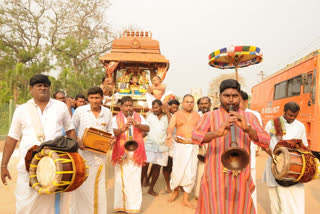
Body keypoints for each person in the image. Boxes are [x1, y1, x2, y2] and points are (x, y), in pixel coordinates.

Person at [192, 79, 270, 214]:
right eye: (226, 96)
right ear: (220, 95)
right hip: (215, 175)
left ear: (240, 97)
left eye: (235, 96)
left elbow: (266, 140)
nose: (231, 100)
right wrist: (216, 133)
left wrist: (248, 129)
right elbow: (195, 137)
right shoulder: (209, 116)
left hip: (241, 174)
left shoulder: (249, 117)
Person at [0, 74, 76, 214]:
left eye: (45, 86)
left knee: (54, 205)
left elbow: (71, 131)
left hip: (56, 166)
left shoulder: (60, 107)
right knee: (26, 205)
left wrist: (75, 157)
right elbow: (12, 138)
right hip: (28, 166)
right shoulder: (21, 110)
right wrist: (4, 165)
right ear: (31, 89)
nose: (42, 88)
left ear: (49, 88)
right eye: (38, 85)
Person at [71, 87, 114, 214]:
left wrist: (112, 139)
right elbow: (72, 129)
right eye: (92, 98)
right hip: (82, 155)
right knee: (81, 186)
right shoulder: (80, 111)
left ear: (102, 98)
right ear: (88, 98)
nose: (95, 101)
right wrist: (78, 140)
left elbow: (110, 130)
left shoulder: (107, 112)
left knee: (98, 187)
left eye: (97, 98)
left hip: (99, 157)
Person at [263, 102, 307, 214]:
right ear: (284, 111)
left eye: (295, 116)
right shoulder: (273, 124)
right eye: (290, 115)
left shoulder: (300, 126)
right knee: (276, 198)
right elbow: (264, 143)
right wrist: (275, 157)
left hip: (294, 168)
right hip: (275, 165)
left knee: (295, 198)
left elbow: (304, 146)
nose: (292, 118)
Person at [112, 96, 150, 214]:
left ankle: (133, 208)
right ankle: (121, 206)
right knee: (120, 179)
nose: (129, 108)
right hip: (121, 152)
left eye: (131, 105)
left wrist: (137, 124)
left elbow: (147, 128)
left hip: (136, 152)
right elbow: (113, 132)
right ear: (121, 107)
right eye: (126, 105)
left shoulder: (138, 117)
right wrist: (122, 128)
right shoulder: (115, 119)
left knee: (134, 180)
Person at [166, 94, 200, 208]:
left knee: (191, 172)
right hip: (179, 147)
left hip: (192, 146)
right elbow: (171, 127)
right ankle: (175, 191)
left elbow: (202, 130)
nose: (189, 103)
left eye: (191, 101)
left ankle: (185, 199)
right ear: (182, 103)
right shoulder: (177, 114)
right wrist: (169, 135)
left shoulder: (197, 116)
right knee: (177, 170)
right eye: (187, 101)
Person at [141, 99, 171, 196]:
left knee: (157, 167)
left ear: (161, 106)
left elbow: (171, 125)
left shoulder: (167, 117)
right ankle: (142, 184)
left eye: (157, 107)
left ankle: (151, 188)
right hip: (149, 145)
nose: (155, 109)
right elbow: (145, 129)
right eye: (153, 107)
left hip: (162, 147)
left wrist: (167, 111)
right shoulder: (149, 116)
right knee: (144, 165)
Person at [240, 90, 263, 211]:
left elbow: (260, 134)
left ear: (245, 101)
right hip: (233, 158)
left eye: (239, 100)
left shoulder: (253, 115)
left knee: (251, 185)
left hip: (250, 156)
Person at [194, 96, 212, 199]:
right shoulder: (196, 116)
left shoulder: (215, 115)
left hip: (212, 145)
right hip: (199, 146)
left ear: (210, 104)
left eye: (206, 103)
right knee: (199, 170)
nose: (203, 105)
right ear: (199, 105)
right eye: (201, 104)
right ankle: (198, 194)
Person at [162, 99, 180, 192]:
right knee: (167, 165)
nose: (175, 109)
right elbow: (170, 125)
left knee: (175, 166)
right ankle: (168, 185)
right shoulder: (165, 115)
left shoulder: (178, 115)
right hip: (167, 143)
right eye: (173, 107)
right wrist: (168, 112)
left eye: (177, 108)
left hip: (176, 144)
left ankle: (176, 184)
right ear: (169, 107)